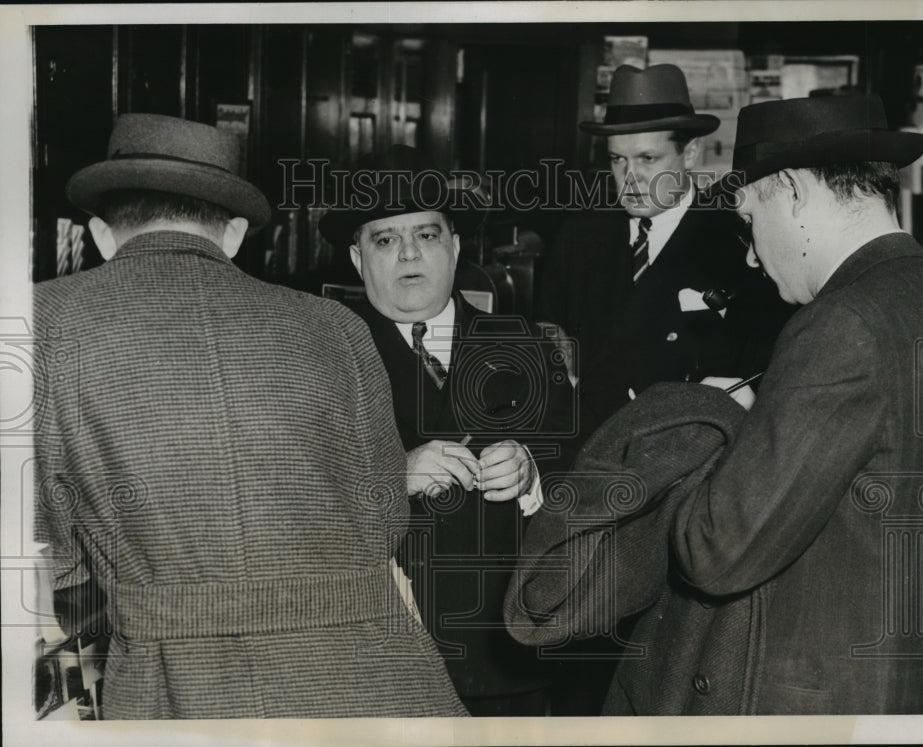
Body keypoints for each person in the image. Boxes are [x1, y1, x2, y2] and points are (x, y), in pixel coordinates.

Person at [506, 93, 923, 715]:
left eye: (750, 219)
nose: (750, 252)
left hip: (817, 689)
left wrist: (692, 436)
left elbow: (717, 552)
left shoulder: (838, 326)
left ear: (795, 192)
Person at [33, 114, 466, 719]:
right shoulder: (335, 326)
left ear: (103, 235)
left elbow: (45, 548)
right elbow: (383, 520)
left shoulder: (39, 322)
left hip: (178, 683)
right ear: (235, 234)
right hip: (370, 676)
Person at [318, 145, 576, 716]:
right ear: (358, 260)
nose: (409, 253)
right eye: (385, 240)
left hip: (504, 654)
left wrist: (532, 471)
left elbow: (584, 473)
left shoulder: (525, 345)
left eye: (427, 235)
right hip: (375, 657)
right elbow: (292, 499)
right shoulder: (322, 357)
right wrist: (393, 474)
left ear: (455, 248)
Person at [536, 63, 794, 434]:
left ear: (690, 155)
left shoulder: (738, 240)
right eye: (617, 160)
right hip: (588, 452)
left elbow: (765, 370)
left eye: (648, 159)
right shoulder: (579, 236)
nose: (630, 178)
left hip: (687, 456)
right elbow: (549, 327)